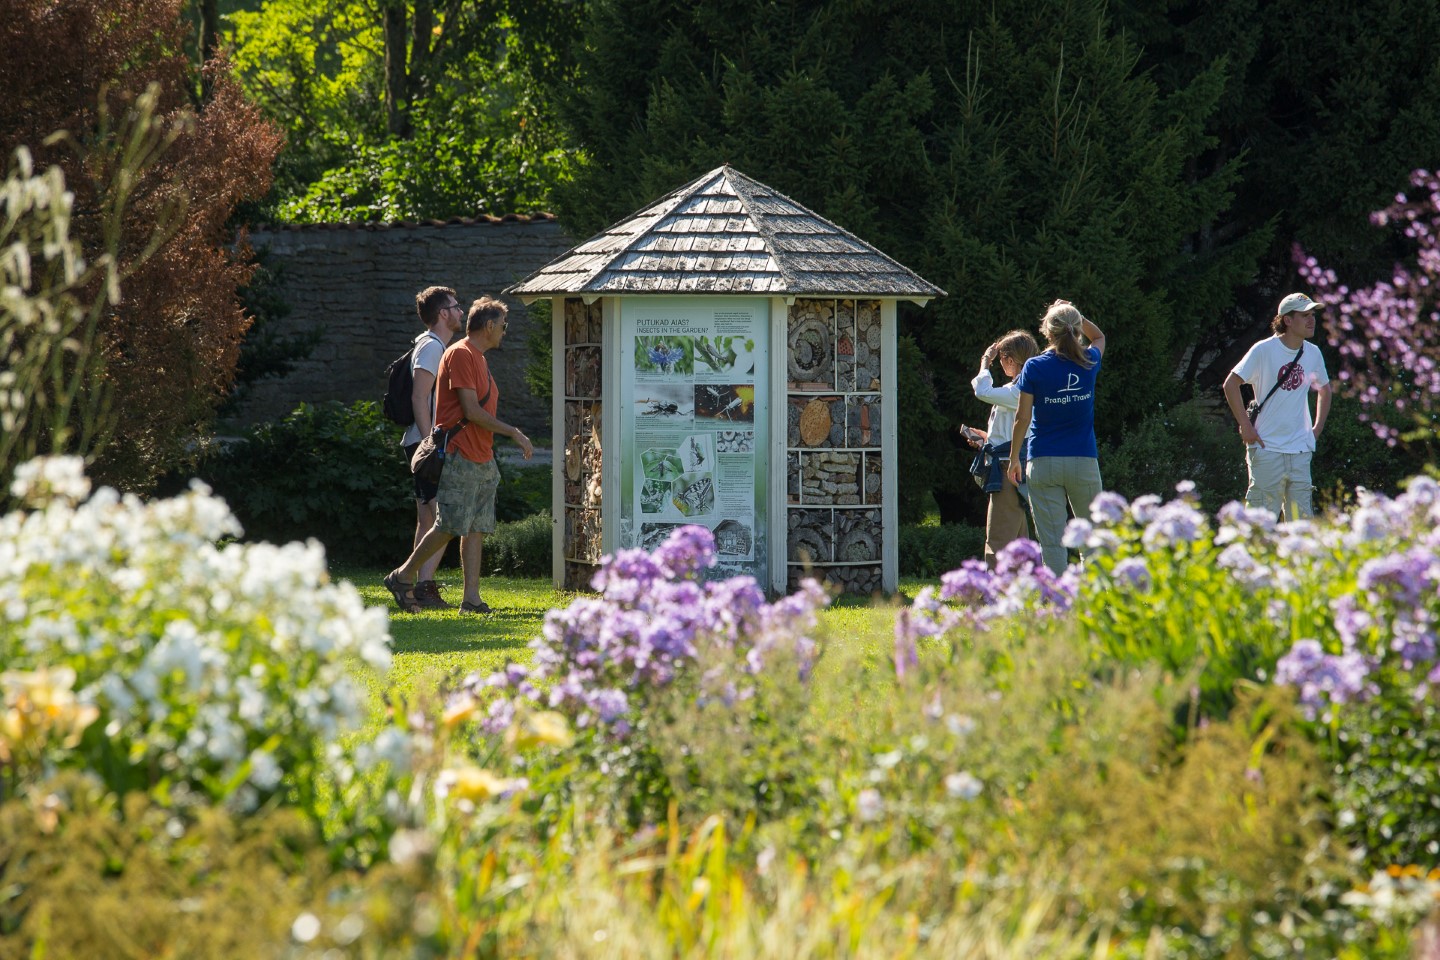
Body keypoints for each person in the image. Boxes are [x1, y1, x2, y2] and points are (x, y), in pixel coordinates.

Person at [384, 297, 533, 613]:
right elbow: (470, 410)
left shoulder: (478, 357)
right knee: (449, 524)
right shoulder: (462, 354)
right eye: (503, 326)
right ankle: (403, 575)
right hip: (459, 453)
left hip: (481, 456)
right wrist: (513, 432)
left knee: (475, 526)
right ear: (489, 326)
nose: (505, 332)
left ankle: (471, 600)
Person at [1007, 300, 1107, 574]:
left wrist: (1014, 457)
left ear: (1046, 332)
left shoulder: (1034, 367)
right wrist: (1077, 315)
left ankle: (1058, 606)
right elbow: (1099, 337)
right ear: (1076, 331)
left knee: (1051, 543)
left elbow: (1022, 418)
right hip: (1083, 461)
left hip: (1043, 461)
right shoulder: (1089, 360)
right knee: (1092, 539)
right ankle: (1096, 602)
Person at [1222, 292, 1332, 520]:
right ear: (1288, 320)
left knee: (1301, 527)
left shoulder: (1313, 353)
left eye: (1312, 315)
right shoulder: (1263, 350)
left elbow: (1325, 390)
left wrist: (1316, 431)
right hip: (1266, 449)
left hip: (1300, 451)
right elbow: (1231, 384)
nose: (1312, 320)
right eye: (1305, 315)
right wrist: (1245, 425)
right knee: (1259, 525)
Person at [402, 285, 465, 609]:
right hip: (424, 444)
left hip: (421, 442)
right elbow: (418, 396)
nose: (461, 312)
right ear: (443, 313)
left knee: (428, 520)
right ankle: (420, 584)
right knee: (442, 519)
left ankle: (413, 585)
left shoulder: (432, 345)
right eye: (455, 307)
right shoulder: (431, 348)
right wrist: (431, 443)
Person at [965, 329, 1040, 566]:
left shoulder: (1019, 390)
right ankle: (1028, 589)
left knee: (998, 534)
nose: (1000, 365)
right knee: (1019, 537)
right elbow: (1009, 431)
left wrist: (984, 362)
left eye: (1001, 361)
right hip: (1009, 460)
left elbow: (982, 391)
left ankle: (992, 593)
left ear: (1010, 360)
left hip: (1009, 466)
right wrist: (985, 439)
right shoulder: (1018, 388)